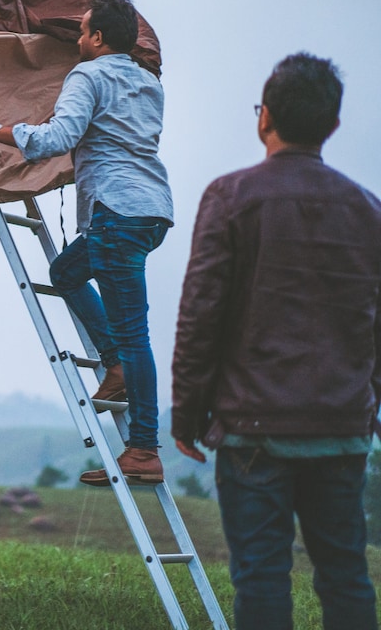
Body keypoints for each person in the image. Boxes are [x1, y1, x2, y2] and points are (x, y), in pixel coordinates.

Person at [172, 53, 380, 629]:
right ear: (332, 126)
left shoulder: (230, 197)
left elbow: (200, 316)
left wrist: (187, 415)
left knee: (261, 579)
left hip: (253, 433)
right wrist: (366, 404)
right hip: (342, 430)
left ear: (264, 118)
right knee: (345, 577)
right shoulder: (370, 211)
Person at [0, 0, 173, 486]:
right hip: (151, 212)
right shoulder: (147, 83)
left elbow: (58, 138)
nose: (77, 38)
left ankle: (143, 449)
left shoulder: (89, 74)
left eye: (82, 31)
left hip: (116, 214)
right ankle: (114, 365)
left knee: (135, 332)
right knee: (65, 273)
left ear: (98, 39)